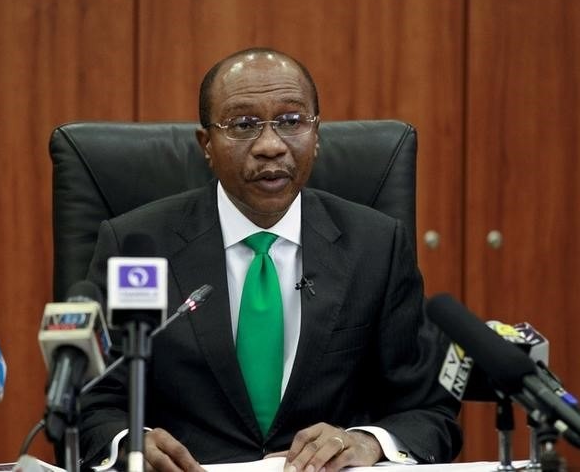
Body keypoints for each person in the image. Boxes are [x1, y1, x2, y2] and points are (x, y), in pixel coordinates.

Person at [79, 47, 462, 472]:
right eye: (243, 125)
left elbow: (429, 412)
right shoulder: (137, 244)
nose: (270, 146)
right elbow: (90, 401)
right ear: (206, 144)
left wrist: (367, 442)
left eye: (291, 121)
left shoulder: (376, 246)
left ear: (316, 135)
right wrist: (132, 444)